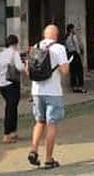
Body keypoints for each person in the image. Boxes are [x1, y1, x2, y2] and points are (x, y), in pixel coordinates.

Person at [27, 24, 70, 170]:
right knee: (51, 124)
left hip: (37, 90)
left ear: (44, 34)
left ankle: (33, 150)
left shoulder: (35, 46)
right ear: (56, 35)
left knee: (39, 122)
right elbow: (65, 70)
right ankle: (48, 158)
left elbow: (28, 71)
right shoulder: (59, 48)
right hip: (53, 91)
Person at [0, 34, 24, 143]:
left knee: (11, 107)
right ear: (16, 43)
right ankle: (7, 133)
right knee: (11, 109)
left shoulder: (0, 54)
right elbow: (20, 67)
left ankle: (13, 131)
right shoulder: (14, 53)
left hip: (2, 84)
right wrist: (25, 65)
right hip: (12, 83)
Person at [64, 24, 85, 93]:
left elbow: (66, 46)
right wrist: (80, 53)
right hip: (75, 53)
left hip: (70, 54)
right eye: (73, 28)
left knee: (72, 70)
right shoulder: (73, 36)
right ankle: (80, 85)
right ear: (71, 29)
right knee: (79, 70)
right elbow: (77, 45)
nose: (75, 30)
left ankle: (74, 86)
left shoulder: (66, 37)